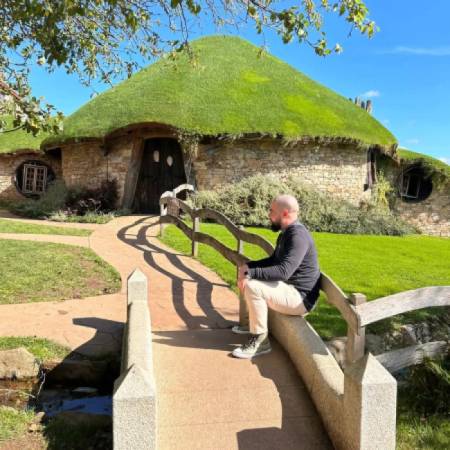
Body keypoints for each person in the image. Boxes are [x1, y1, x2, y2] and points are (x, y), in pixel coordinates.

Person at [232, 194, 321, 359]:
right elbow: (274, 261)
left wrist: (250, 273)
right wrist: (248, 267)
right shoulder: (287, 233)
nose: (268, 214)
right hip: (290, 289)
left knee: (252, 285)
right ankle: (250, 324)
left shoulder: (298, 236)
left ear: (285, 213)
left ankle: (261, 341)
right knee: (248, 276)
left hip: (301, 298)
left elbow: (284, 271)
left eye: (272, 211)